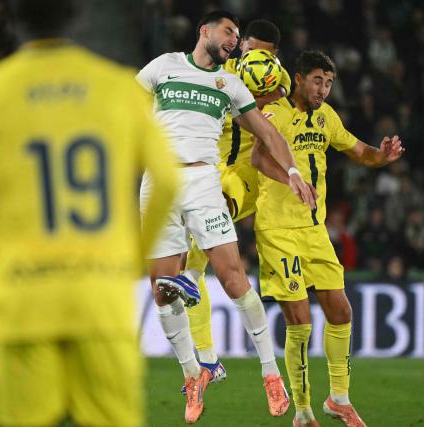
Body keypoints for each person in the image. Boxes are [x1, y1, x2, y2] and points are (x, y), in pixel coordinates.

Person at [0, 1, 179, 426]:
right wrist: (134, 258)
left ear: (9, 18)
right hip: (100, 300)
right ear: (74, 17)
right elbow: (167, 181)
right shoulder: (119, 89)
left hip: (23, 305)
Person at [137, 10, 316, 424]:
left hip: (203, 182)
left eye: (237, 35)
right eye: (228, 31)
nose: (234, 39)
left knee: (234, 278)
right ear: (205, 31)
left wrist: (291, 170)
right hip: (157, 184)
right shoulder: (163, 66)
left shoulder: (230, 84)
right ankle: (193, 373)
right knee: (161, 292)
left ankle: (271, 373)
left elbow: (269, 133)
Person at [252, 50, 404, 427]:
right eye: (318, 80)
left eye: (329, 83)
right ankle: (302, 412)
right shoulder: (276, 111)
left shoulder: (325, 118)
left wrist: (380, 157)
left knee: (341, 311)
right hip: (278, 230)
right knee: (300, 322)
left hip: (314, 230)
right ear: (299, 78)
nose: (324, 89)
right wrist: (291, 176)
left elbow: (359, 151)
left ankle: (338, 399)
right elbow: (258, 157)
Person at [182, 18, 292, 388]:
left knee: (205, 230)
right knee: (191, 267)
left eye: (260, 54)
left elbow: (266, 108)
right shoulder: (221, 68)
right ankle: (209, 360)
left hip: (242, 177)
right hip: (206, 172)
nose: (249, 56)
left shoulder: (277, 79)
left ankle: (218, 362)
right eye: (247, 47)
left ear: (273, 58)